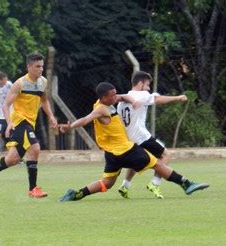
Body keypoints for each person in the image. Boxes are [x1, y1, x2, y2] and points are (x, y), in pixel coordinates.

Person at [58, 82, 209, 202]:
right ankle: (186, 184)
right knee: (157, 163)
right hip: (126, 149)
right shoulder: (101, 109)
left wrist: (132, 100)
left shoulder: (104, 102)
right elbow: (85, 119)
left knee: (108, 182)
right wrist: (70, 126)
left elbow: (122, 97)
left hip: (111, 153)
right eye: (112, 95)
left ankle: (77, 194)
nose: (115, 97)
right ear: (104, 98)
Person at [0, 52, 58, 198]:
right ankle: (33, 188)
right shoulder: (20, 83)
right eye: (37, 66)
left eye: (42, 66)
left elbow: (44, 100)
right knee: (35, 148)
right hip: (20, 121)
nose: (40, 69)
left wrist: (51, 116)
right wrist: (9, 123)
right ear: (29, 67)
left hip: (30, 122)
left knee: (12, 160)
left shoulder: (43, 82)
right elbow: (6, 105)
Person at [117, 71, 187, 199]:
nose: (148, 88)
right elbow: (158, 99)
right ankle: (155, 183)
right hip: (141, 136)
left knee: (135, 162)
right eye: (147, 85)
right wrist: (178, 98)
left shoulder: (122, 101)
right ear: (140, 83)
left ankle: (125, 185)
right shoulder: (142, 94)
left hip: (128, 138)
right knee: (165, 155)